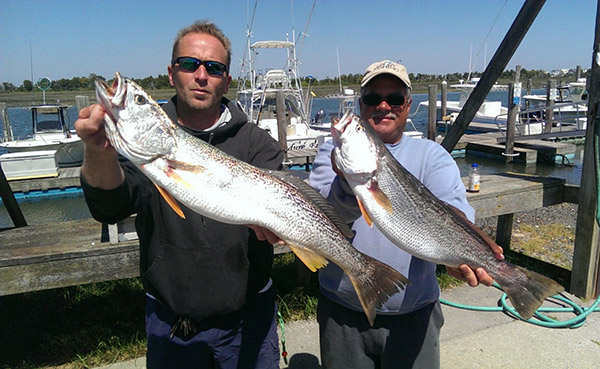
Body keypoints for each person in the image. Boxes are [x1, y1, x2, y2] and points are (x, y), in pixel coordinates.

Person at [75, 20, 284, 369]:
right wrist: (99, 150)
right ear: (172, 74)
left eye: (214, 68)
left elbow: (281, 207)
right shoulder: (146, 150)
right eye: (189, 64)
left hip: (250, 319)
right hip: (171, 323)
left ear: (227, 80)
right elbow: (110, 206)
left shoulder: (257, 143)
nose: (201, 75)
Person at [309, 60, 504, 369]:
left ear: (408, 105)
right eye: (373, 98)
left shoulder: (432, 155)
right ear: (362, 105)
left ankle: (519, 283)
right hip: (343, 310)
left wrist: (459, 259)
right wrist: (346, 184)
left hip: (415, 316)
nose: (384, 106)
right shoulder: (331, 154)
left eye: (395, 99)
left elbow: (456, 216)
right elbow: (318, 222)